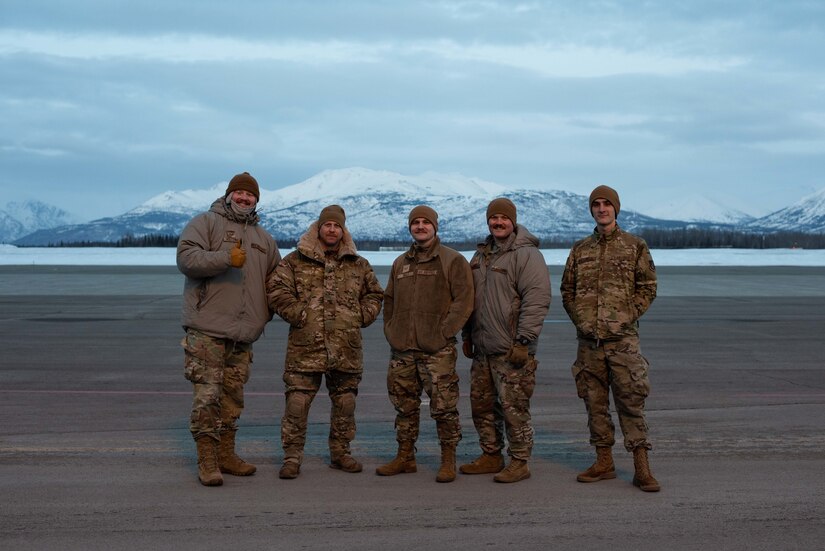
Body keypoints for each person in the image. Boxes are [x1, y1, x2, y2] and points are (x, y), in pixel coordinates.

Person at [177, 171, 281, 486]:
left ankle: (226, 454)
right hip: (208, 328)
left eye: (250, 195)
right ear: (228, 194)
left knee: (232, 397)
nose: (245, 198)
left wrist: (270, 312)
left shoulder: (264, 239)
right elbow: (186, 258)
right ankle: (208, 461)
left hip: (244, 333)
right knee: (208, 395)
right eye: (239, 193)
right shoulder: (206, 222)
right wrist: (224, 257)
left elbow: (276, 281)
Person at [266, 205, 383, 479]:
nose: (332, 230)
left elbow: (375, 294)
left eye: (337, 226)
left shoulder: (359, 264)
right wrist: (299, 313)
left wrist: (361, 316)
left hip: (346, 347)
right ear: (318, 228)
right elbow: (276, 289)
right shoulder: (295, 261)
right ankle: (292, 457)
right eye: (327, 225)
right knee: (296, 404)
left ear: (343, 231)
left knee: (345, 404)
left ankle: (341, 453)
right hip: (306, 347)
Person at [560, 185, 660, 492]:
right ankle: (603, 462)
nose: (602, 209)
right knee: (595, 404)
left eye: (607, 204)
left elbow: (648, 286)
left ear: (616, 209)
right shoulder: (580, 249)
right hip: (589, 344)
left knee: (631, 402)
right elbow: (567, 290)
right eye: (596, 205)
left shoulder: (634, 246)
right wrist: (581, 319)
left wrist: (627, 315)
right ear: (591, 210)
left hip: (623, 344)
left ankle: (642, 468)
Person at [376, 205, 474, 483]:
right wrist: (392, 330)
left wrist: (444, 332)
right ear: (410, 227)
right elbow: (390, 300)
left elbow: (464, 301)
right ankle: (405, 457)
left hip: (437, 351)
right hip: (402, 350)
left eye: (425, 222)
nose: (420, 226)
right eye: (415, 222)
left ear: (435, 226)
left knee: (443, 407)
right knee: (404, 406)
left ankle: (448, 459)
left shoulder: (452, 260)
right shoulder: (400, 263)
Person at [460, 198, 551, 483]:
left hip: (512, 349)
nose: (498, 222)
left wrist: (524, 341)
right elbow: (469, 300)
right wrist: (467, 335)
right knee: (482, 406)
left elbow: (536, 300)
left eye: (503, 218)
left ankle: (520, 460)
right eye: (493, 218)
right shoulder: (480, 257)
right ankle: (491, 454)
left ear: (513, 221)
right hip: (483, 349)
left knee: (514, 408)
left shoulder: (526, 255)